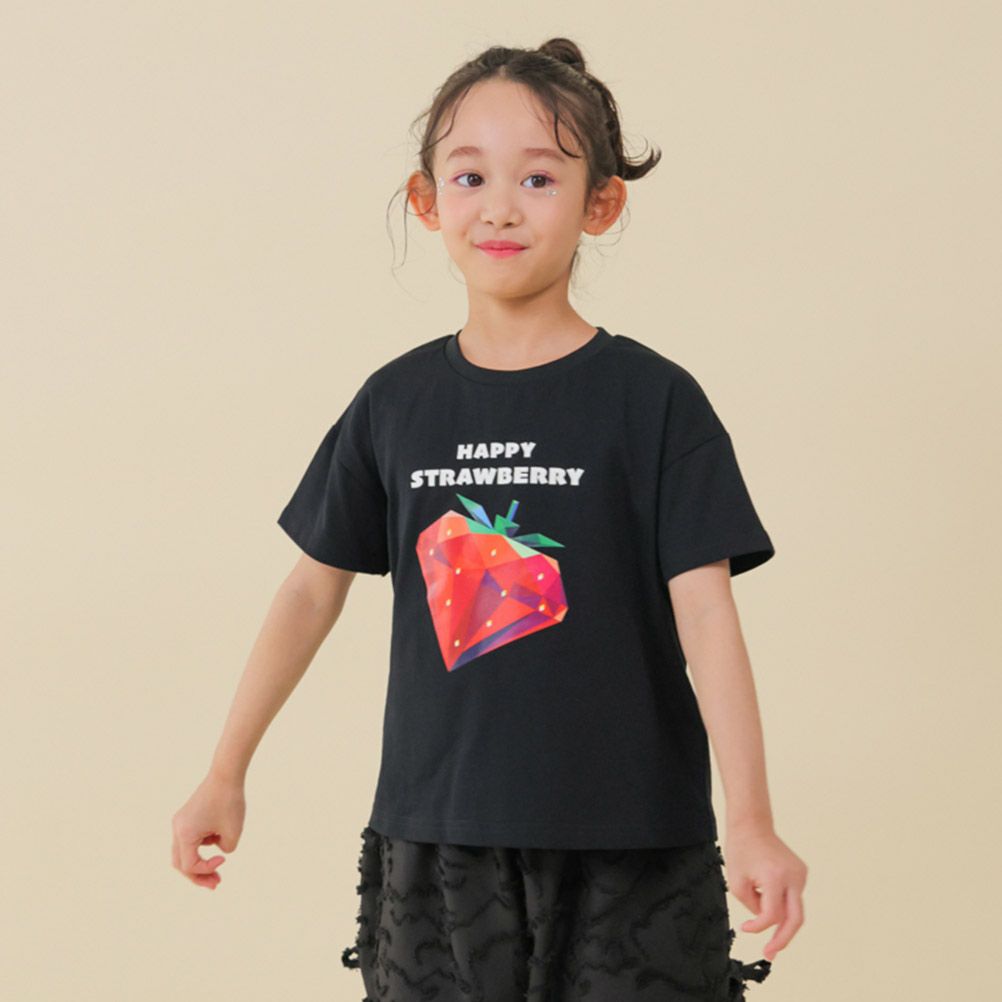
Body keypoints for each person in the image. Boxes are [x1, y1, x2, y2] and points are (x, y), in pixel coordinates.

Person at [171, 36, 808, 1002]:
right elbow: (308, 592)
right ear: (427, 201)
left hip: (633, 836)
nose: (501, 207)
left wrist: (752, 821)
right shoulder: (394, 402)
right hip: (438, 840)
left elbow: (707, 613)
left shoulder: (655, 401)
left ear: (602, 202)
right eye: (470, 176)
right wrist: (225, 771)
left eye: (539, 178)